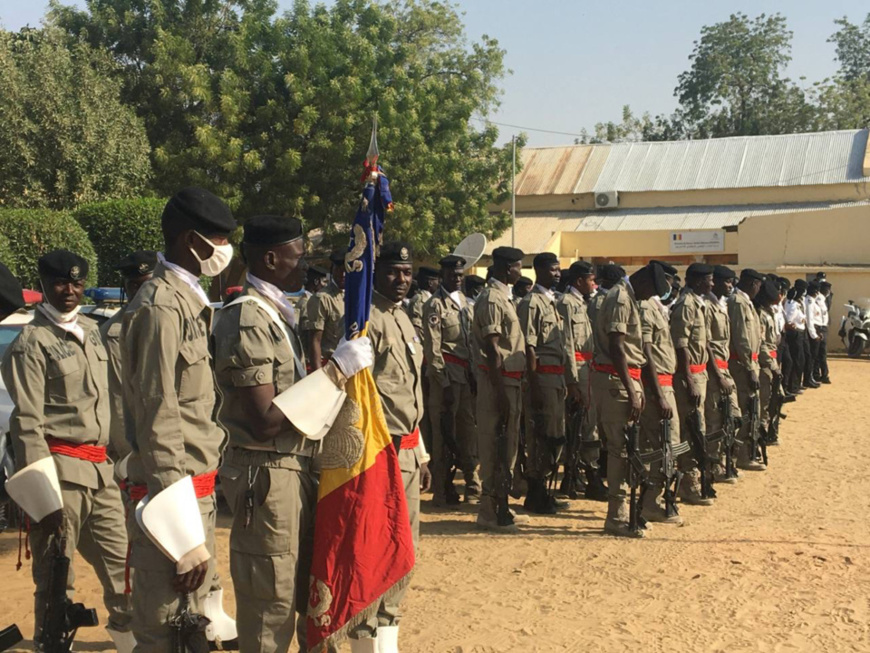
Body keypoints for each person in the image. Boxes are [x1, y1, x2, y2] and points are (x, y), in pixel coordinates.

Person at [214, 215, 372, 651]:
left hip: (296, 467)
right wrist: (336, 371)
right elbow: (265, 418)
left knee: (311, 598)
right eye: (299, 257)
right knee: (272, 608)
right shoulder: (247, 317)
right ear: (270, 258)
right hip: (267, 473)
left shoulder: (275, 314)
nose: (306, 267)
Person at [120, 187, 237, 650]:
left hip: (196, 495)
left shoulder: (187, 303)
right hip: (171, 504)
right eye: (219, 240)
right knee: (167, 629)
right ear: (192, 241)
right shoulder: (160, 307)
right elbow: (159, 417)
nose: (225, 251)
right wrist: (182, 531)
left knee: (193, 630)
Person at [2, 250, 134, 651]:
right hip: (59, 474)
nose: (70, 291)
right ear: (43, 284)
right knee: (57, 577)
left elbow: (112, 402)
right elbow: (26, 422)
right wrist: (43, 494)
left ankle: (131, 639)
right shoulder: (31, 343)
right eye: (61, 282)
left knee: (126, 569)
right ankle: (52, 643)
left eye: (77, 283)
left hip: (101, 473)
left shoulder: (94, 332)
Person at [350, 241, 431, 653]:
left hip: (408, 451)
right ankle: (365, 639)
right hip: (379, 452)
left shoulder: (402, 317)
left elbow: (408, 392)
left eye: (407, 272)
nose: (402, 280)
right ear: (375, 273)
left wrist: (422, 451)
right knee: (375, 548)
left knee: (405, 547)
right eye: (393, 272)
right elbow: (361, 396)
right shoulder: (367, 320)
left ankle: (387, 633)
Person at [591, 262, 669, 538]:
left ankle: (626, 511)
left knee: (629, 450)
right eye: (651, 293)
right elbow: (617, 346)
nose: (649, 299)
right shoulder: (621, 298)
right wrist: (631, 388)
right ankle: (616, 516)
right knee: (620, 451)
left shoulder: (628, 297)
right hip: (616, 382)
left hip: (626, 380)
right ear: (645, 282)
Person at [471, 246, 527, 533]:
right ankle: (489, 510)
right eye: (518, 266)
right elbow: (492, 350)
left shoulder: (505, 297)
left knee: (509, 446)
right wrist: (502, 393)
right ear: (507, 268)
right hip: (498, 381)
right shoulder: (493, 299)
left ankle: (501, 503)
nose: (521, 271)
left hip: (510, 380)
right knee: (494, 443)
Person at [517, 252, 575, 514]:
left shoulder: (551, 302)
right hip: (541, 377)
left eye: (558, 269)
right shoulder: (532, 303)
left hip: (556, 377)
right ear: (539, 270)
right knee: (540, 436)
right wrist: (534, 385)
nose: (558, 274)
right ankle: (536, 493)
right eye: (553, 270)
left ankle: (546, 491)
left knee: (555, 435)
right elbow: (529, 347)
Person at [422, 254, 480, 507]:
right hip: (446, 375)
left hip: (466, 374)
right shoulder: (435, 305)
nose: (457, 278)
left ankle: (471, 480)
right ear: (442, 275)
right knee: (444, 433)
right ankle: (443, 487)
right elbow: (433, 348)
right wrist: (442, 381)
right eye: (452, 275)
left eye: (460, 274)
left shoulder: (466, 302)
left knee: (467, 431)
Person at [637, 269, 686, 523]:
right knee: (665, 445)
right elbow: (646, 353)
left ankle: (651, 497)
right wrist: (658, 394)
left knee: (667, 445)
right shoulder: (646, 307)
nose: (671, 286)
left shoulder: (656, 307)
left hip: (666, 384)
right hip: (658, 387)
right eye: (668, 281)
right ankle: (651, 501)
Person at [101, 251, 157, 463]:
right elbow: (118, 400)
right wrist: (132, 458)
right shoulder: (114, 333)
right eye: (135, 285)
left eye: (149, 284)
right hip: (139, 452)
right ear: (126, 288)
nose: (143, 292)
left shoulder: (170, 319)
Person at [557, 260, 606, 501]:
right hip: (578, 369)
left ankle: (580, 474)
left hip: (588, 367)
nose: (594, 283)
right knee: (585, 425)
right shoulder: (567, 304)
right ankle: (588, 475)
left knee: (587, 424)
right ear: (578, 281)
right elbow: (566, 343)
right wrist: (572, 380)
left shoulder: (581, 303)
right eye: (590, 279)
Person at [670, 263, 714, 506]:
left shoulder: (698, 303)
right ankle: (688, 481)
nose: (712, 285)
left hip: (701, 373)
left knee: (699, 427)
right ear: (697, 281)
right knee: (691, 429)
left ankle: (693, 476)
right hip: (690, 376)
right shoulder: (686, 305)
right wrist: (687, 378)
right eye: (709, 280)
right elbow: (681, 344)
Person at [704, 265, 741, 482]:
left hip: (724, 367)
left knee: (733, 416)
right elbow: (705, 344)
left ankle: (726, 460)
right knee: (715, 419)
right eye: (727, 282)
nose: (730, 286)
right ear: (715, 281)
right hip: (712, 370)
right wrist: (718, 375)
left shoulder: (721, 304)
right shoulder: (707, 306)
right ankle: (713, 464)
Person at [727, 268, 765, 472]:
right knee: (746, 409)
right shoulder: (737, 303)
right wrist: (750, 367)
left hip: (751, 364)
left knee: (753, 408)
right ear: (753, 283)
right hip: (742, 366)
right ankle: (740, 455)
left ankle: (747, 452)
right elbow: (741, 337)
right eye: (759, 285)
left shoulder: (746, 302)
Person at [308, 250, 346, 370]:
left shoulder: (357, 296)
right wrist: (318, 375)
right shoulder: (322, 298)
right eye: (340, 269)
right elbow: (315, 340)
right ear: (332, 269)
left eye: (347, 270)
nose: (343, 274)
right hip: (330, 365)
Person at [755, 279, 783, 444]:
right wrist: (772, 366)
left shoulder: (769, 312)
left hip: (773, 359)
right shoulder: (760, 315)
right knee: (764, 402)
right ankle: (762, 436)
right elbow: (761, 343)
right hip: (765, 363)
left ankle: (771, 432)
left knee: (776, 398)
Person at [296, 264, 328, 365]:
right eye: (324, 281)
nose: (325, 285)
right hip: (309, 361)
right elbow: (308, 337)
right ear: (316, 282)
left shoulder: (306, 300)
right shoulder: (307, 303)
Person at [784, 280, 809, 393]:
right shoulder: (792, 304)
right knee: (797, 360)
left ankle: (796, 384)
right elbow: (789, 319)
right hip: (795, 334)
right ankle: (793, 386)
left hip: (801, 333)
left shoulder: (799, 303)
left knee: (801, 359)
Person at [407, 266, 440, 340]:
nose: (438, 284)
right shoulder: (421, 300)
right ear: (430, 283)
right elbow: (416, 327)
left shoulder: (430, 299)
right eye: (437, 281)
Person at [805, 281, 824, 387]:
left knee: (814, 356)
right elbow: (809, 319)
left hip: (816, 328)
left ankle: (811, 376)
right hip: (812, 330)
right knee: (811, 356)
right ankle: (808, 378)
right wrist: (814, 335)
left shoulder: (813, 301)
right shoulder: (809, 302)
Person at [816, 281, 832, 383]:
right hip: (819, 328)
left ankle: (823, 374)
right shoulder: (818, 299)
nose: (828, 291)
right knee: (819, 353)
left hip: (823, 327)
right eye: (826, 289)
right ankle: (819, 375)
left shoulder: (824, 299)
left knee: (821, 353)